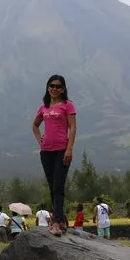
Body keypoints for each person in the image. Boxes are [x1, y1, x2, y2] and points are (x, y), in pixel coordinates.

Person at [32, 74, 77, 236]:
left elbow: (72, 128)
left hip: (62, 150)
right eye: (51, 85)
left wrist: (69, 148)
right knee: (52, 187)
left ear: (63, 89)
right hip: (46, 152)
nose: (54, 88)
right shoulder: (43, 107)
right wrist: (40, 139)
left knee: (58, 186)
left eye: (58, 86)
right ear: (47, 87)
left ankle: (56, 221)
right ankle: (61, 217)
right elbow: (35, 125)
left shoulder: (67, 105)